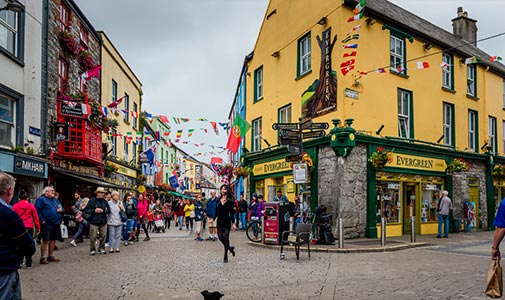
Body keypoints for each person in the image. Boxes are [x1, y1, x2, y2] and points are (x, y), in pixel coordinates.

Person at [0, 172, 36, 299]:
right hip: (4, 269)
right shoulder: (7, 214)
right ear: (10, 191)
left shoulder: (12, 208)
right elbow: (29, 247)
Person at [35, 186, 63, 264]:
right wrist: (42, 220)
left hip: (56, 222)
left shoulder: (55, 200)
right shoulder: (41, 199)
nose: (53, 192)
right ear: (46, 192)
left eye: (53, 190)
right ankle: (42, 257)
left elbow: (61, 207)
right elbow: (37, 210)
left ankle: (50, 256)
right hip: (47, 222)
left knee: (53, 239)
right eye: (52, 190)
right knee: (45, 239)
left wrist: (61, 210)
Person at [12, 190, 40, 268]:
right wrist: (38, 228)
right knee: (29, 243)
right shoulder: (31, 206)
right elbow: (35, 218)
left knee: (19, 244)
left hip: (19, 227)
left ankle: (19, 261)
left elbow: (11, 218)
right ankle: (28, 262)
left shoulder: (15, 206)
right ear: (27, 198)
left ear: (19, 198)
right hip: (29, 226)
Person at [84, 187, 110, 255]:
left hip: (103, 221)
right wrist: (94, 210)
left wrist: (103, 211)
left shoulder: (104, 201)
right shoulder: (92, 200)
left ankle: (101, 248)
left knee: (103, 236)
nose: (102, 194)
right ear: (97, 193)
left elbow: (108, 210)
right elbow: (86, 210)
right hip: (94, 221)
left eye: (103, 193)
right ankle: (92, 249)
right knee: (93, 236)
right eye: (100, 192)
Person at [214, 185, 236, 263]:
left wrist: (233, 223)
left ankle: (225, 255)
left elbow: (232, 213)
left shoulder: (230, 201)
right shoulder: (218, 200)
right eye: (222, 189)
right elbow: (216, 212)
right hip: (219, 221)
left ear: (227, 190)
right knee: (220, 238)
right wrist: (212, 219)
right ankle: (230, 248)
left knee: (225, 238)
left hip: (227, 222)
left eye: (224, 189)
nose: (223, 190)